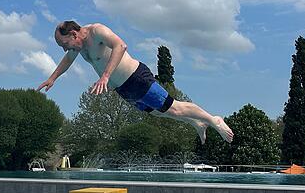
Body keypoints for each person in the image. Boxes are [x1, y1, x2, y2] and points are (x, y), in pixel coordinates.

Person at [37, 21, 233, 143]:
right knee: (159, 113)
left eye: (64, 44)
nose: (65, 49)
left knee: (173, 108)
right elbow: (67, 61)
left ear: (73, 34)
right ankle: (196, 122)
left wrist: (105, 76)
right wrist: (52, 78)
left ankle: (213, 120)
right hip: (123, 88)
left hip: (137, 78)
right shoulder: (78, 48)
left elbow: (120, 45)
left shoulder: (97, 32)